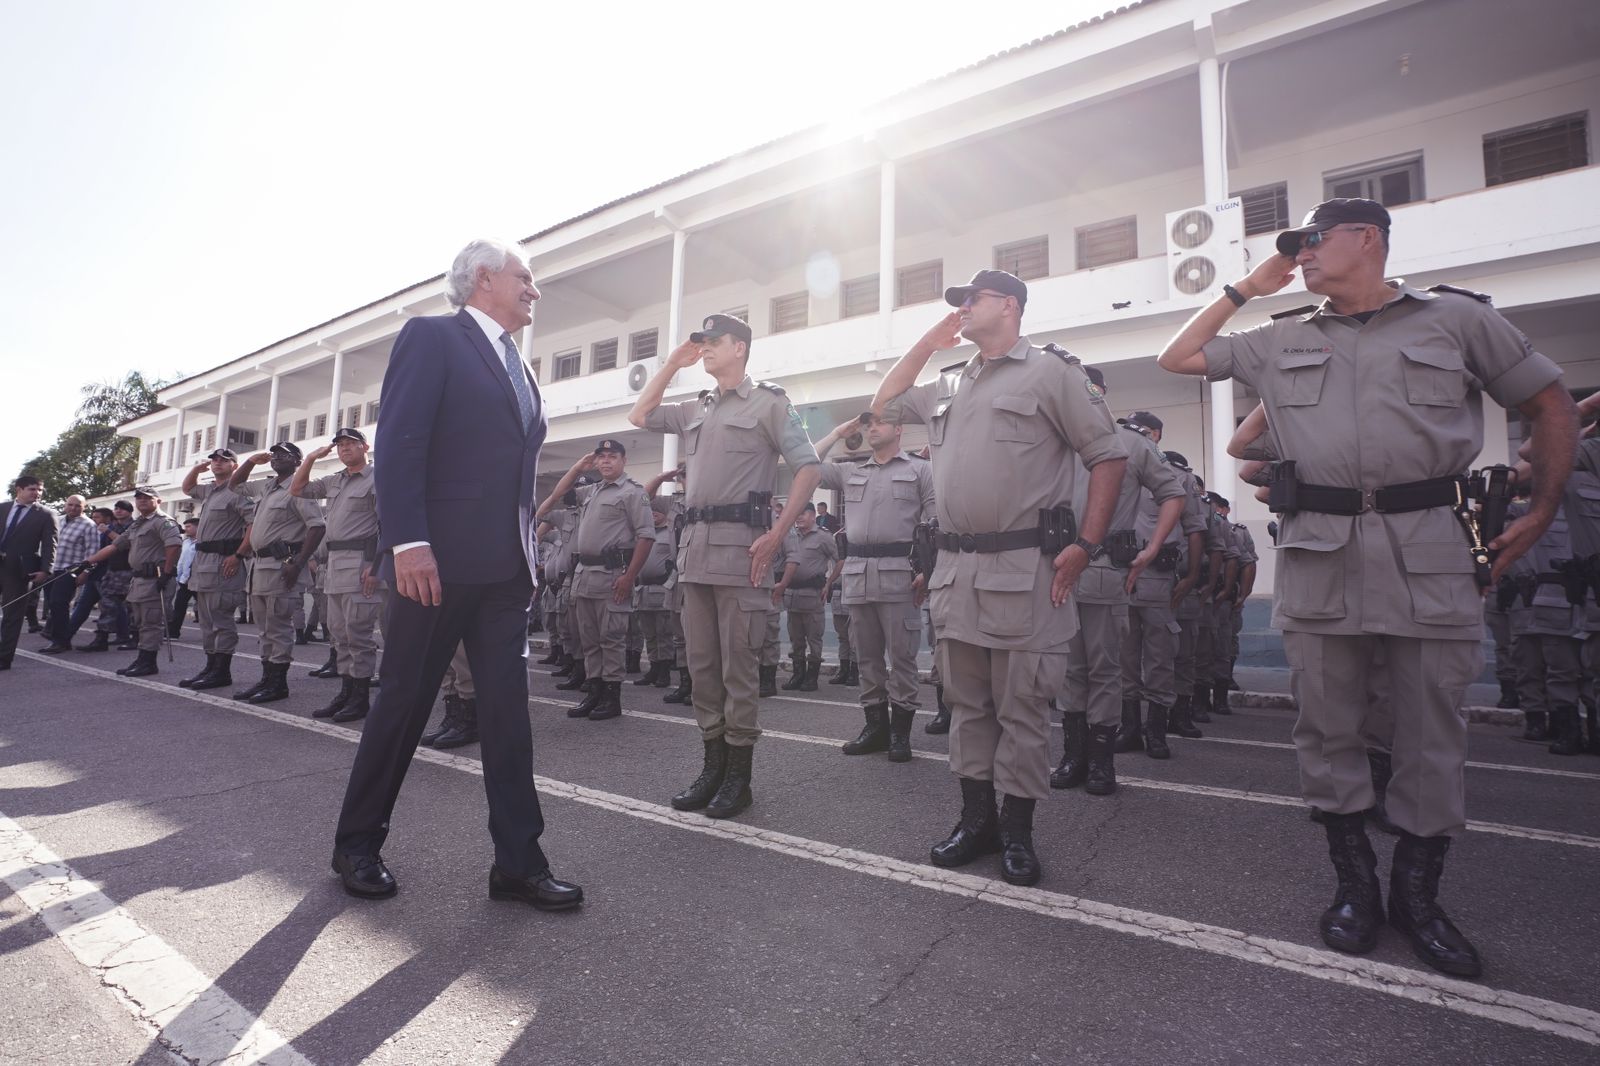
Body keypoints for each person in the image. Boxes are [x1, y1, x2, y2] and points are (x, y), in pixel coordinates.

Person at [1157, 196, 1578, 977]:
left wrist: (1544, 506)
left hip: (1431, 550)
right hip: (1322, 552)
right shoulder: (1279, 337)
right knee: (1328, 732)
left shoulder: (1454, 321)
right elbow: (1177, 360)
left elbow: (1548, 401)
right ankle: (1355, 887)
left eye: (1316, 239)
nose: (1305, 253)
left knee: (1430, 736)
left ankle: (1419, 899)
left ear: (1369, 239)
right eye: (1299, 246)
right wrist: (1250, 285)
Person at [332, 238, 582, 911]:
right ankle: (356, 843)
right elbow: (401, 441)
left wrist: (526, 557)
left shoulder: (520, 370)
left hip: (505, 572)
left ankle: (519, 864)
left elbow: (519, 480)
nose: (534, 289)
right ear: (483, 279)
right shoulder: (433, 338)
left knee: (508, 719)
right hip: (433, 567)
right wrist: (408, 542)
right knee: (403, 705)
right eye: (524, 277)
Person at [873, 269, 1128, 886]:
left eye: (971, 299)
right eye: (956, 302)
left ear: (1009, 306)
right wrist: (929, 343)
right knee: (967, 707)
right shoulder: (948, 381)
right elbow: (882, 404)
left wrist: (1087, 545)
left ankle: (1017, 832)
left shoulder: (1052, 372)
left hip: (1024, 568)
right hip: (956, 571)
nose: (961, 308)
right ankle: (976, 821)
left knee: (1021, 710)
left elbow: (1108, 455)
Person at [629, 312, 822, 820]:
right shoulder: (698, 407)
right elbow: (639, 415)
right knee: (703, 668)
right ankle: (712, 766)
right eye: (702, 344)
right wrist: (673, 363)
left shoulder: (770, 403)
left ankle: (739, 777)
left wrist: (777, 534)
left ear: (740, 347)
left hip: (742, 555)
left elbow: (810, 466)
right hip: (694, 556)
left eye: (714, 342)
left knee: (739, 669)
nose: (706, 349)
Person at [813, 413, 936, 761]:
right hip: (857, 572)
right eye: (869, 424)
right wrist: (837, 431)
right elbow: (805, 463)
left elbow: (936, 523)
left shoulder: (919, 470)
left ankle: (900, 733)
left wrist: (929, 571)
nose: (872, 428)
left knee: (902, 657)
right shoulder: (852, 471)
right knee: (866, 658)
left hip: (900, 573)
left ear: (899, 430)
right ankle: (875, 727)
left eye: (881, 422)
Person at [537, 440, 654, 721]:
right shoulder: (592, 490)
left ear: (623, 461)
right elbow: (558, 493)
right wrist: (578, 467)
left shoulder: (632, 493)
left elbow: (646, 536)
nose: (605, 462)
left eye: (612, 457)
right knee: (588, 639)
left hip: (612, 575)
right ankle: (595, 691)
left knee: (610, 639)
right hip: (584, 575)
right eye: (601, 457)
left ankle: (611, 697)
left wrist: (629, 576)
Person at [291, 427, 386, 722]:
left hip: (361, 563)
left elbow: (388, 523)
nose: (345, 449)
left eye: (351, 444)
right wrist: (309, 459)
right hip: (335, 565)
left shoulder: (377, 478)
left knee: (358, 635)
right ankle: (346, 692)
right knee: (339, 635)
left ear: (365, 447)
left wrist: (376, 565)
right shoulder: (335, 480)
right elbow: (298, 489)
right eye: (341, 445)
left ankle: (359, 698)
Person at [229, 443, 326, 703]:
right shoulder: (267, 486)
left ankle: (278, 684)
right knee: (264, 629)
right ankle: (266, 679)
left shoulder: (299, 489)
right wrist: (250, 462)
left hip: (282, 565)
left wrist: (298, 563)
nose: (277, 458)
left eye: (285, 455)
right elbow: (234, 485)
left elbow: (317, 527)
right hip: (259, 566)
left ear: (298, 461)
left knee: (278, 626)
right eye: (275, 454)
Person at [74, 487, 182, 677]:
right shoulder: (137, 525)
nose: (142, 501)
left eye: (147, 498)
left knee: (151, 621)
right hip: (139, 579)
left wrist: (166, 573)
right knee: (140, 621)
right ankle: (143, 658)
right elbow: (115, 546)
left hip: (156, 577)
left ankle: (149, 662)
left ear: (158, 501)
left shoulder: (164, 522)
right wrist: (88, 561)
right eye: (139, 498)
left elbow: (173, 546)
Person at [777, 503, 837, 692]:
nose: (799, 517)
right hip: (792, 595)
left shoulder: (823, 537)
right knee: (796, 639)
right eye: (797, 514)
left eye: (803, 513)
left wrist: (829, 583)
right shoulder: (791, 535)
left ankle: (811, 678)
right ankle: (798, 675)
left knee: (814, 638)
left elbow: (840, 559)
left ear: (813, 516)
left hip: (812, 595)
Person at [0, 476, 58, 669]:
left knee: (13, 614)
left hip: (19, 570)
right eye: (32, 489)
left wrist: (45, 570)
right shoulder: (3, 508)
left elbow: (50, 544)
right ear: (19, 489)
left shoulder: (46, 515)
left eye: (40, 490)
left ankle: (4, 658)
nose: (37, 493)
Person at [40, 495, 96, 654]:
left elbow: (93, 553)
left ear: (84, 507)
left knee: (59, 603)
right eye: (70, 505)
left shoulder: (89, 525)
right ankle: (57, 636)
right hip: (52, 569)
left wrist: (85, 572)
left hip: (70, 571)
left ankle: (60, 641)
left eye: (78, 506)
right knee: (53, 604)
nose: (73, 508)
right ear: (65, 505)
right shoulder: (57, 520)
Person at [168, 518, 199, 638]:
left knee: (205, 608)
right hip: (185, 580)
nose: (186, 529)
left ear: (197, 527)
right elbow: (181, 562)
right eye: (185, 527)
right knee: (179, 606)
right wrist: (179, 577)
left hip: (197, 579)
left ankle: (214, 631)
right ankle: (174, 631)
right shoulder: (185, 542)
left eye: (189, 526)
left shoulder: (203, 543)